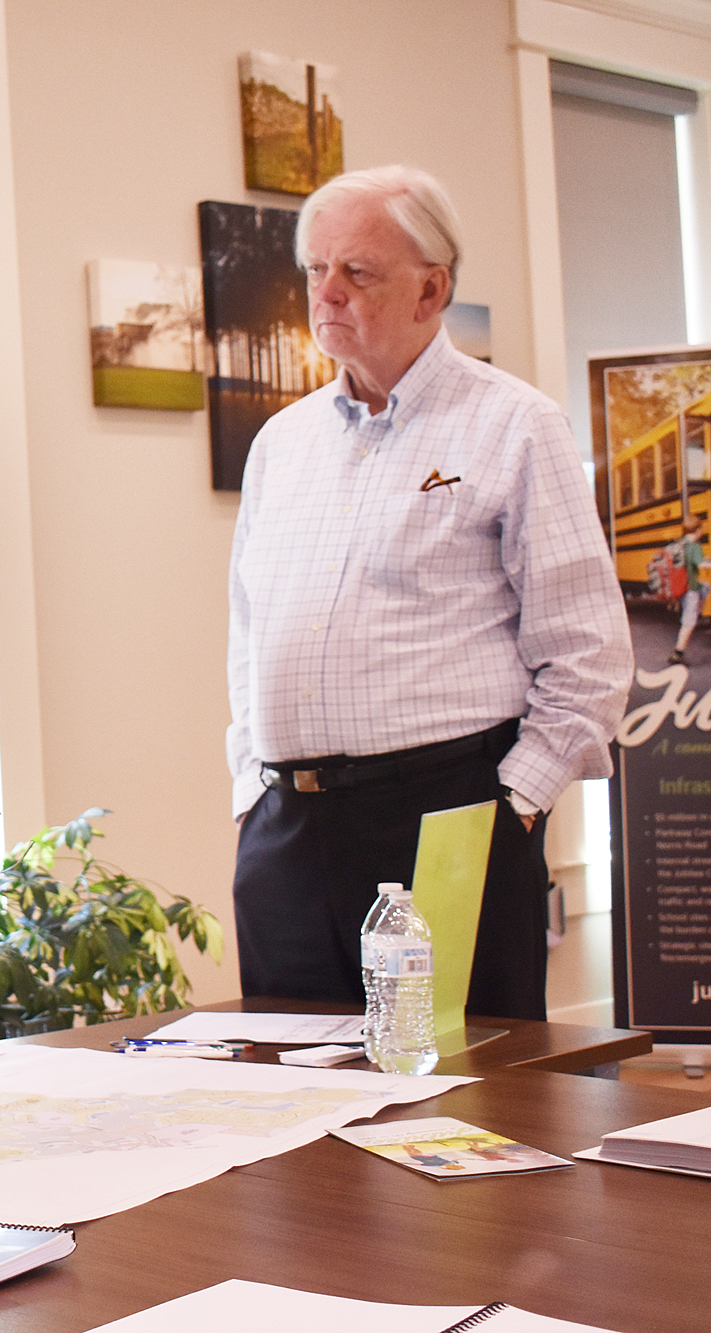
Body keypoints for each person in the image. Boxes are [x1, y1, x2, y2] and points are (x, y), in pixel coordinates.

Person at [226, 165, 632, 1022]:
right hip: (284, 833)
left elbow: (588, 652)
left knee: (455, 1082)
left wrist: (513, 805)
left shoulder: (515, 424)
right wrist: (247, 790)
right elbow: (247, 634)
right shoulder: (280, 444)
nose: (327, 293)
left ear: (432, 288)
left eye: (357, 271)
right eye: (315, 270)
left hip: (448, 818)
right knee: (286, 1083)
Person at [669, 512, 704, 665]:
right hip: (691, 589)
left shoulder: (680, 543)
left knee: (705, 587)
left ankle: (699, 612)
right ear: (698, 530)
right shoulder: (695, 547)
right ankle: (678, 653)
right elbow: (701, 564)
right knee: (689, 622)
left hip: (681, 587)